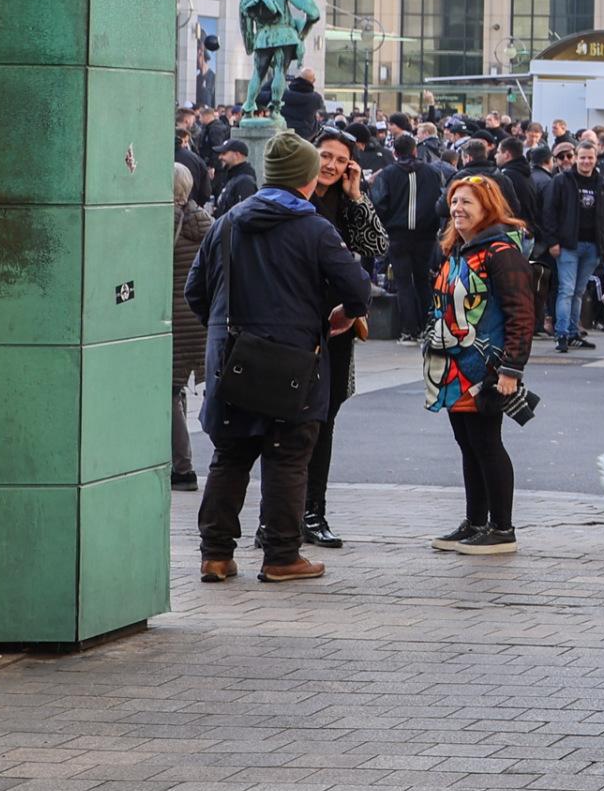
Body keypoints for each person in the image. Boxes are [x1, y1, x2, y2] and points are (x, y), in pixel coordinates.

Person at [184, 132, 370, 584]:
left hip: (233, 359)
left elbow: (196, 291)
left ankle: (216, 555)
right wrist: (341, 317)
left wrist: (227, 328)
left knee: (229, 456)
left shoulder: (226, 222)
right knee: (288, 457)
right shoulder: (316, 229)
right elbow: (359, 291)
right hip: (294, 361)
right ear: (307, 179)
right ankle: (282, 556)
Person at [422, 176, 535, 552]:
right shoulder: (458, 249)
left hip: (486, 365)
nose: (458, 210)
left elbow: (522, 313)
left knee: (486, 442)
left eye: (467, 203)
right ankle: (475, 522)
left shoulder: (501, 251)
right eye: (455, 203)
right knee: (467, 443)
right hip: (453, 364)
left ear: (488, 206)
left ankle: (502, 528)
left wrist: (511, 369)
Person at [297, 131, 388, 549]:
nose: (331, 165)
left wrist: (356, 195)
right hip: (295, 327)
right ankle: (280, 516)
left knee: (325, 420)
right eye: (325, 156)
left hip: (336, 327)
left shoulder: (345, 204)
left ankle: (314, 512)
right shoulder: (292, 197)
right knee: (288, 422)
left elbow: (377, 244)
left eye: (341, 160)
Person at [539, 142, 604, 352]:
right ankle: (562, 333)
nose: (586, 161)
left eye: (590, 158)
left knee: (578, 291)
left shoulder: (602, 183)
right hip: (568, 245)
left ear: (595, 159)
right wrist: (552, 241)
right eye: (582, 157)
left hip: (593, 246)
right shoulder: (562, 181)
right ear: (575, 158)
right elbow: (549, 212)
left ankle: (572, 332)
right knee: (567, 290)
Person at [373, 134, 448, 337]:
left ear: (395, 153)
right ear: (415, 150)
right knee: (423, 280)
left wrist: (385, 226)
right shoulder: (432, 172)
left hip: (398, 235)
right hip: (425, 235)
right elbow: (441, 201)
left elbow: (379, 204)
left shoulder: (387, 174)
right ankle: (427, 325)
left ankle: (409, 328)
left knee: (403, 282)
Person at [168, 163, 214, 491]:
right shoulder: (207, 223)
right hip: (201, 318)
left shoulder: (161, 223)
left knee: (166, 393)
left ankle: (182, 468)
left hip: (172, 317)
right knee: (178, 389)